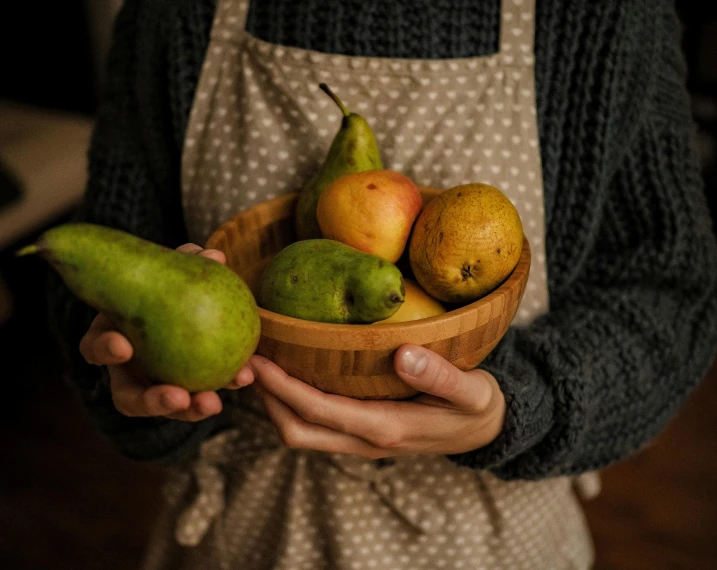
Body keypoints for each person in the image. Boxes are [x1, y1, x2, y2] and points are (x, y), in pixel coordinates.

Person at [47, 0, 717, 568]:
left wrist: (519, 405)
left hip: (495, 539)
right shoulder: (176, 12)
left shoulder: (601, 16)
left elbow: (671, 293)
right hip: (249, 530)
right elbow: (101, 267)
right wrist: (138, 378)